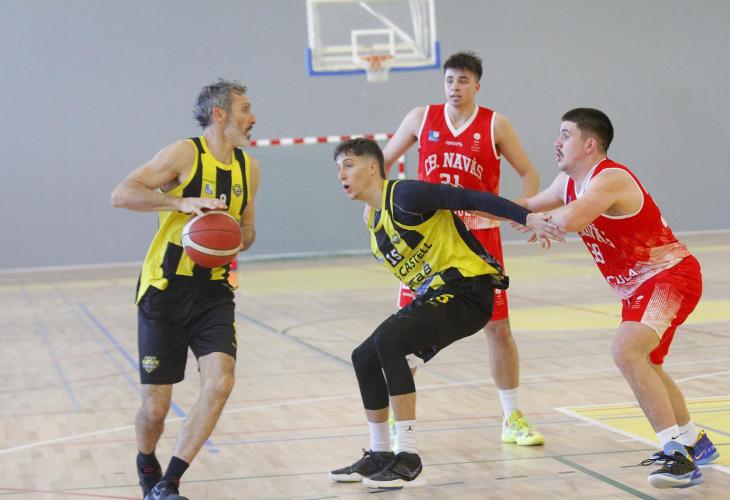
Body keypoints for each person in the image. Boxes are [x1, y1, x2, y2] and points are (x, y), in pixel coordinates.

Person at [329, 138, 563, 489]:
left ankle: (407, 458)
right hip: (437, 295)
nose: (341, 175)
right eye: (338, 169)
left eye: (348, 165)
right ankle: (379, 453)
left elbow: (470, 198)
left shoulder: (406, 195)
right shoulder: (375, 222)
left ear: (373, 167)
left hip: (469, 290)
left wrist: (527, 217)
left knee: (389, 341)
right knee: (363, 356)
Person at [519, 108, 718, 489]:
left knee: (626, 350)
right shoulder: (566, 182)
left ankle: (677, 457)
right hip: (639, 288)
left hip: (670, 277)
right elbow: (527, 207)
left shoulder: (610, 178)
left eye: (565, 135)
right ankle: (694, 441)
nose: (556, 142)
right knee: (648, 363)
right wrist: (466, 210)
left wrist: (538, 220)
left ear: (589, 144)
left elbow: (571, 220)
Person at [382, 51, 544, 446]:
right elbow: (381, 163)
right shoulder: (421, 118)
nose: (455, 87)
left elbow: (528, 173)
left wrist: (521, 210)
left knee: (498, 328)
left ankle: (512, 417)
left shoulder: (495, 124)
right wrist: (386, 210)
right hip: (430, 240)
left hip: (480, 237)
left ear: (477, 85)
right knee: (406, 330)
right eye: (450, 80)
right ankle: (399, 426)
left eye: (463, 81)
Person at [111, 79, 260, 500]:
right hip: (165, 289)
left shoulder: (248, 168)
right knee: (156, 408)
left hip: (214, 292)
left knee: (220, 382)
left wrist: (228, 236)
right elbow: (122, 194)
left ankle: (169, 482)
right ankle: (147, 462)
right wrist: (181, 204)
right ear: (219, 114)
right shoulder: (184, 153)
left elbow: (248, 230)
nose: (253, 118)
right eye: (245, 109)